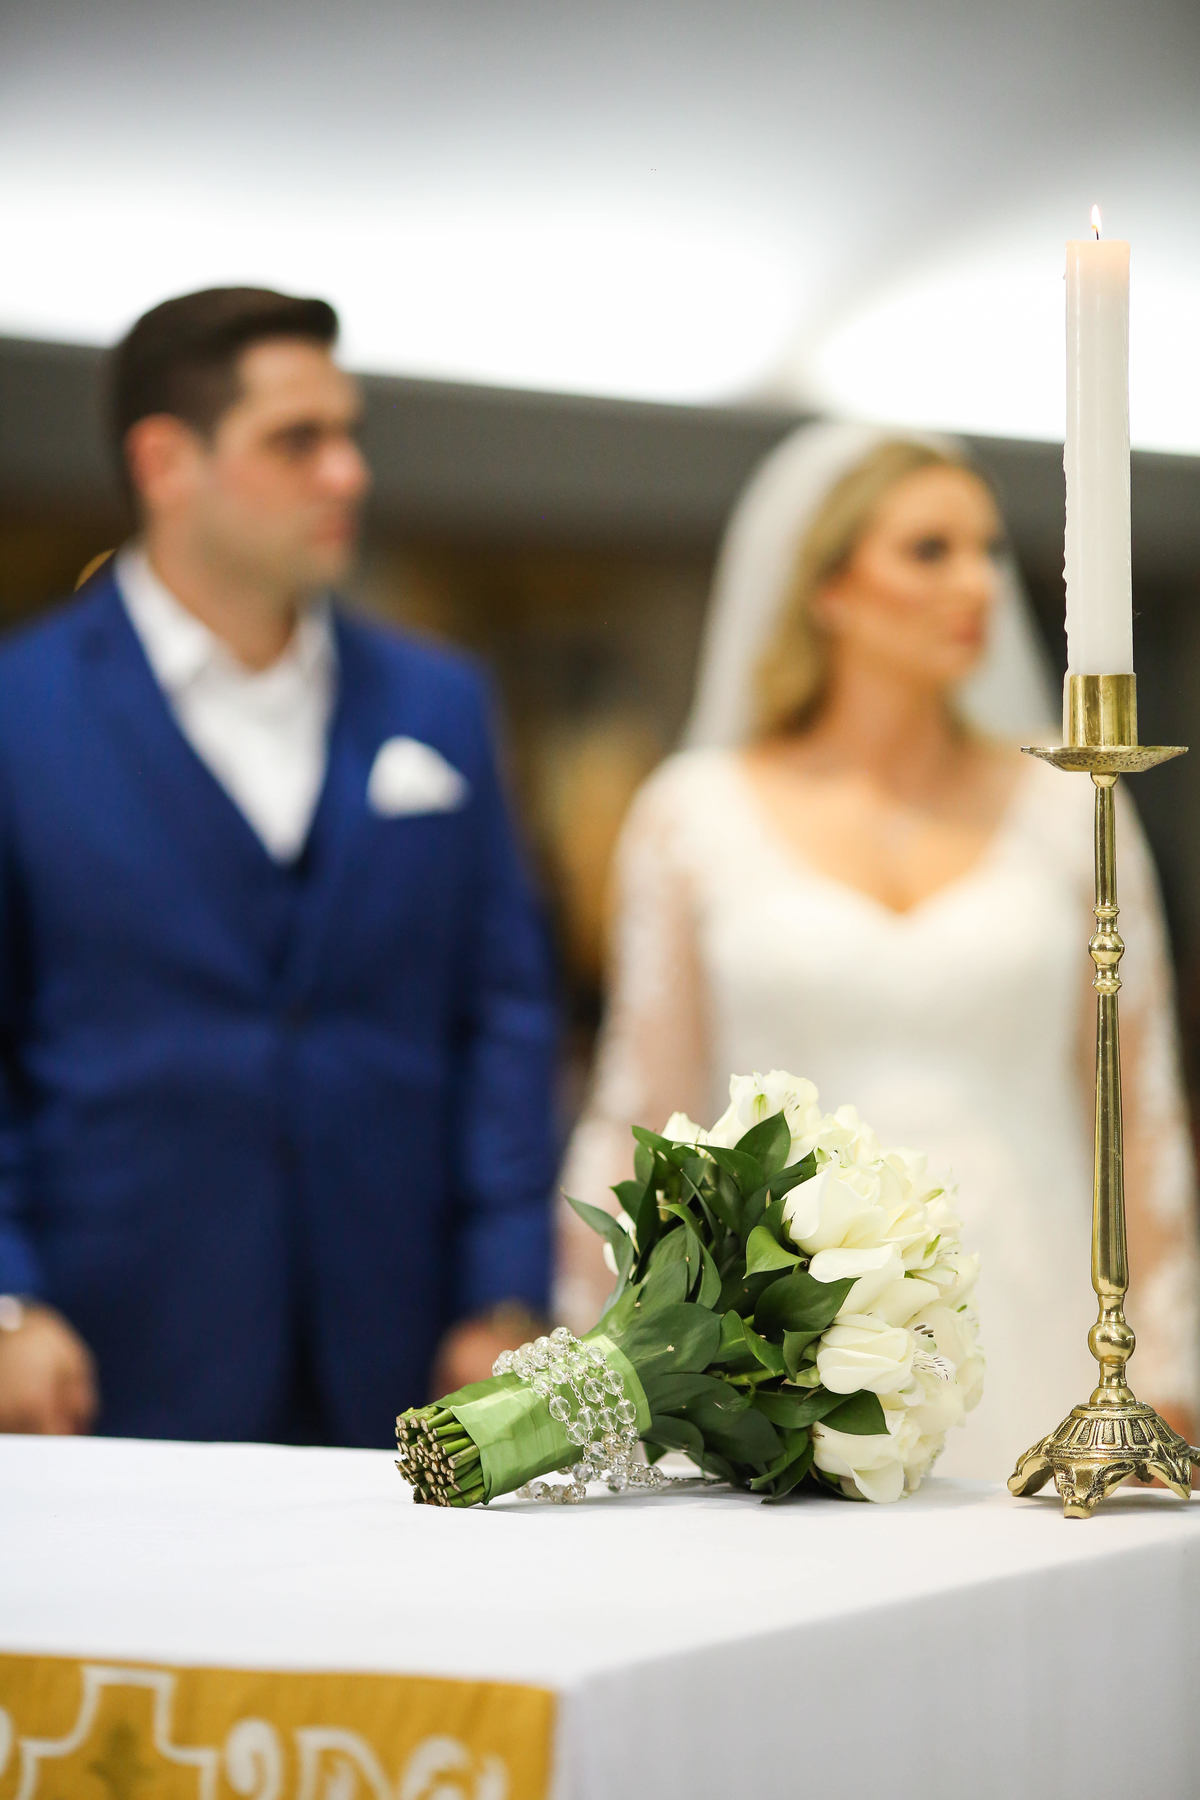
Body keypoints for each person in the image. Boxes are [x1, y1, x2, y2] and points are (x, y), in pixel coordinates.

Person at [557, 421, 1200, 1481]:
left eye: (988, 550)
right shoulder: (693, 815)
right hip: (795, 1335)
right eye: (929, 550)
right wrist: (604, 1372)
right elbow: (642, 1117)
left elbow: (1140, 1107)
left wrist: (1166, 1359)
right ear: (828, 587)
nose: (977, 584)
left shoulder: (1072, 809)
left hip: (1043, 1310)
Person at [0, 287, 558, 1446]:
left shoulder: (439, 703)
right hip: (113, 1345)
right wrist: (8, 1300)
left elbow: (503, 1013)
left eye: (349, 434)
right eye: (297, 440)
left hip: (408, 1346)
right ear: (166, 462)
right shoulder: (22, 711)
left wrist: (503, 1289)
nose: (348, 473)